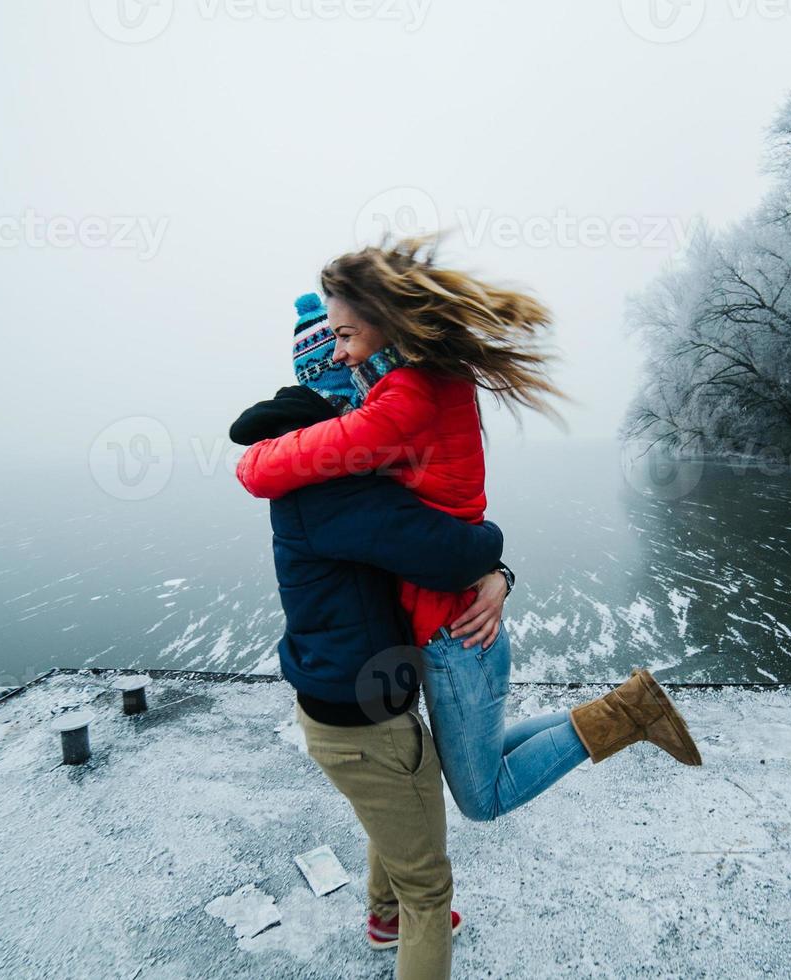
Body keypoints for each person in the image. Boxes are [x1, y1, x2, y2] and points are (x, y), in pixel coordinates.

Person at [236, 242, 702, 834]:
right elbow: (434, 513)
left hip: (450, 632)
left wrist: (251, 459)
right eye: (333, 340)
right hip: (453, 621)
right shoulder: (417, 387)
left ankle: (629, 713)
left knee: (485, 798)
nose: (342, 352)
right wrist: (496, 570)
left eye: (348, 336)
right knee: (489, 751)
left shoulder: (405, 397)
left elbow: (270, 470)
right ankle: (624, 707)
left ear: (387, 321)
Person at [230, 298, 505, 979]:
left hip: (350, 697)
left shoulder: (318, 472)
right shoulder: (335, 487)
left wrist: (492, 569)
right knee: (430, 890)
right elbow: (445, 551)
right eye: (358, 382)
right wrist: (495, 560)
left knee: (398, 813)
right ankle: (404, 921)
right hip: (362, 718)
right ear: (339, 393)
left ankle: (384, 922)